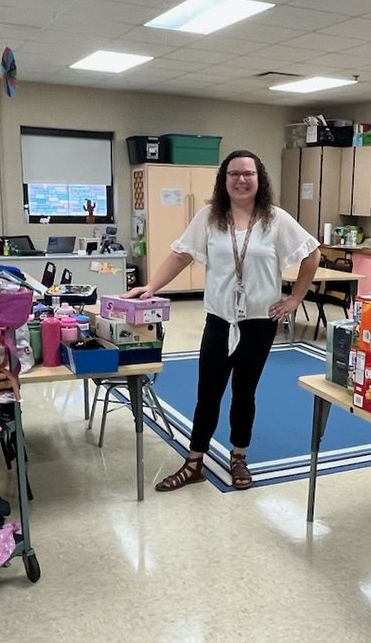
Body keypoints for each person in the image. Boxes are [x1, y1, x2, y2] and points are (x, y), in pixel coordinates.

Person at [124, 150, 321, 492]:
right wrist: (151, 286)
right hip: (219, 321)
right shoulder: (210, 218)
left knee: (245, 393)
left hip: (259, 323)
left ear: (259, 180)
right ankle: (194, 461)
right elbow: (180, 254)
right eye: (234, 174)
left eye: (248, 174)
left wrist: (295, 298)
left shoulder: (275, 219)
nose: (241, 180)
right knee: (208, 393)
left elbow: (312, 252)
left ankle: (239, 456)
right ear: (224, 180)